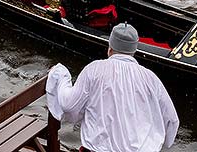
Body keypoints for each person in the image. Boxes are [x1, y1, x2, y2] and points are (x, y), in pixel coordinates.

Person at [47, 22, 179, 152]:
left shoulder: (94, 69)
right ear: (134, 51)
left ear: (109, 48)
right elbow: (171, 120)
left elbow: (69, 105)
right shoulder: (150, 78)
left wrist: (61, 76)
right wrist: (158, 141)